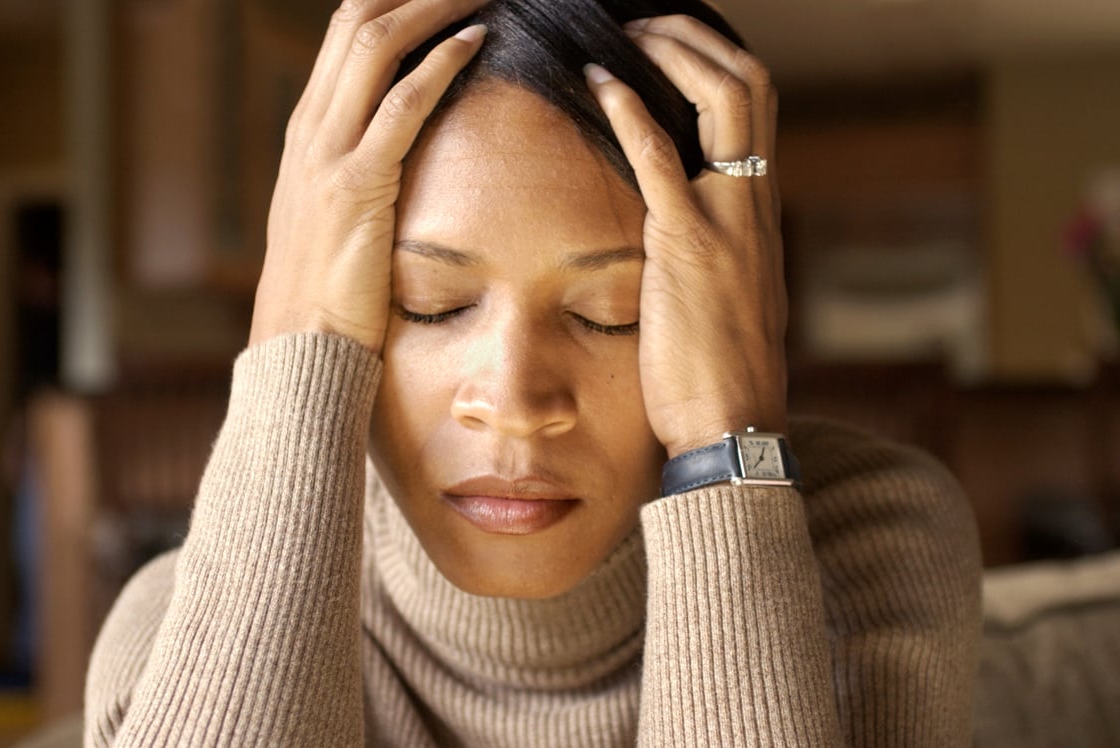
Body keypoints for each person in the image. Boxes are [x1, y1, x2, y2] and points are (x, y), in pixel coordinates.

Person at [85, 0, 982, 744]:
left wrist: (726, 450)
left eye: (610, 315)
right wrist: (292, 338)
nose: (515, 405)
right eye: (430, 302)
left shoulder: (872, 540)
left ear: (735, 307)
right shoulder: (177, 623)